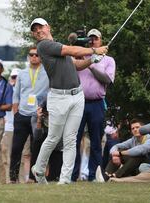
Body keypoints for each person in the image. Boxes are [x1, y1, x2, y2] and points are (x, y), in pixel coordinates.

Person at [29, 18, 108, 184]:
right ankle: (39, 169)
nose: (38, 31)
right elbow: (72, 50)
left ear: (47, 27)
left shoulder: (57, 46)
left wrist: (91, 61)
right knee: (53, 137)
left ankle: (64, 180)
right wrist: (95, 50)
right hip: (58, 97)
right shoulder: (44, 46)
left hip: (77, 95)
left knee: (71, 139)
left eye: (40, 27)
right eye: (35, 29)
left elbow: (77, 65)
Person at [72, 28, 116, 182]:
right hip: (78, 103)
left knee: (96, 141)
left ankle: (93, 176)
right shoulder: (77, 57)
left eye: (95, 39)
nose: (92, 41)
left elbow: (107, 80)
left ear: (100, 41)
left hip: (96, 104)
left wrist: (90, 64)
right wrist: (84, 59)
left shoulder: (108, 60)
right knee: (74, 140)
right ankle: (72, 175)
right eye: (89, 39)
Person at [10, 46, 49, 183]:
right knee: (16, 148)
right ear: (28, 57)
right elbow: (16, 95)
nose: (34, 57)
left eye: (37, 55)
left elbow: (50, 92)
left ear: (41, 57)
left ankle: (33, 178)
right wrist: (16, 114)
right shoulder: (22, 73)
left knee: (36, 148)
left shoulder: (47, 72)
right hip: (22, 115)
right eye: (31, 55)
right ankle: (13, 178)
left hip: (38, 116)